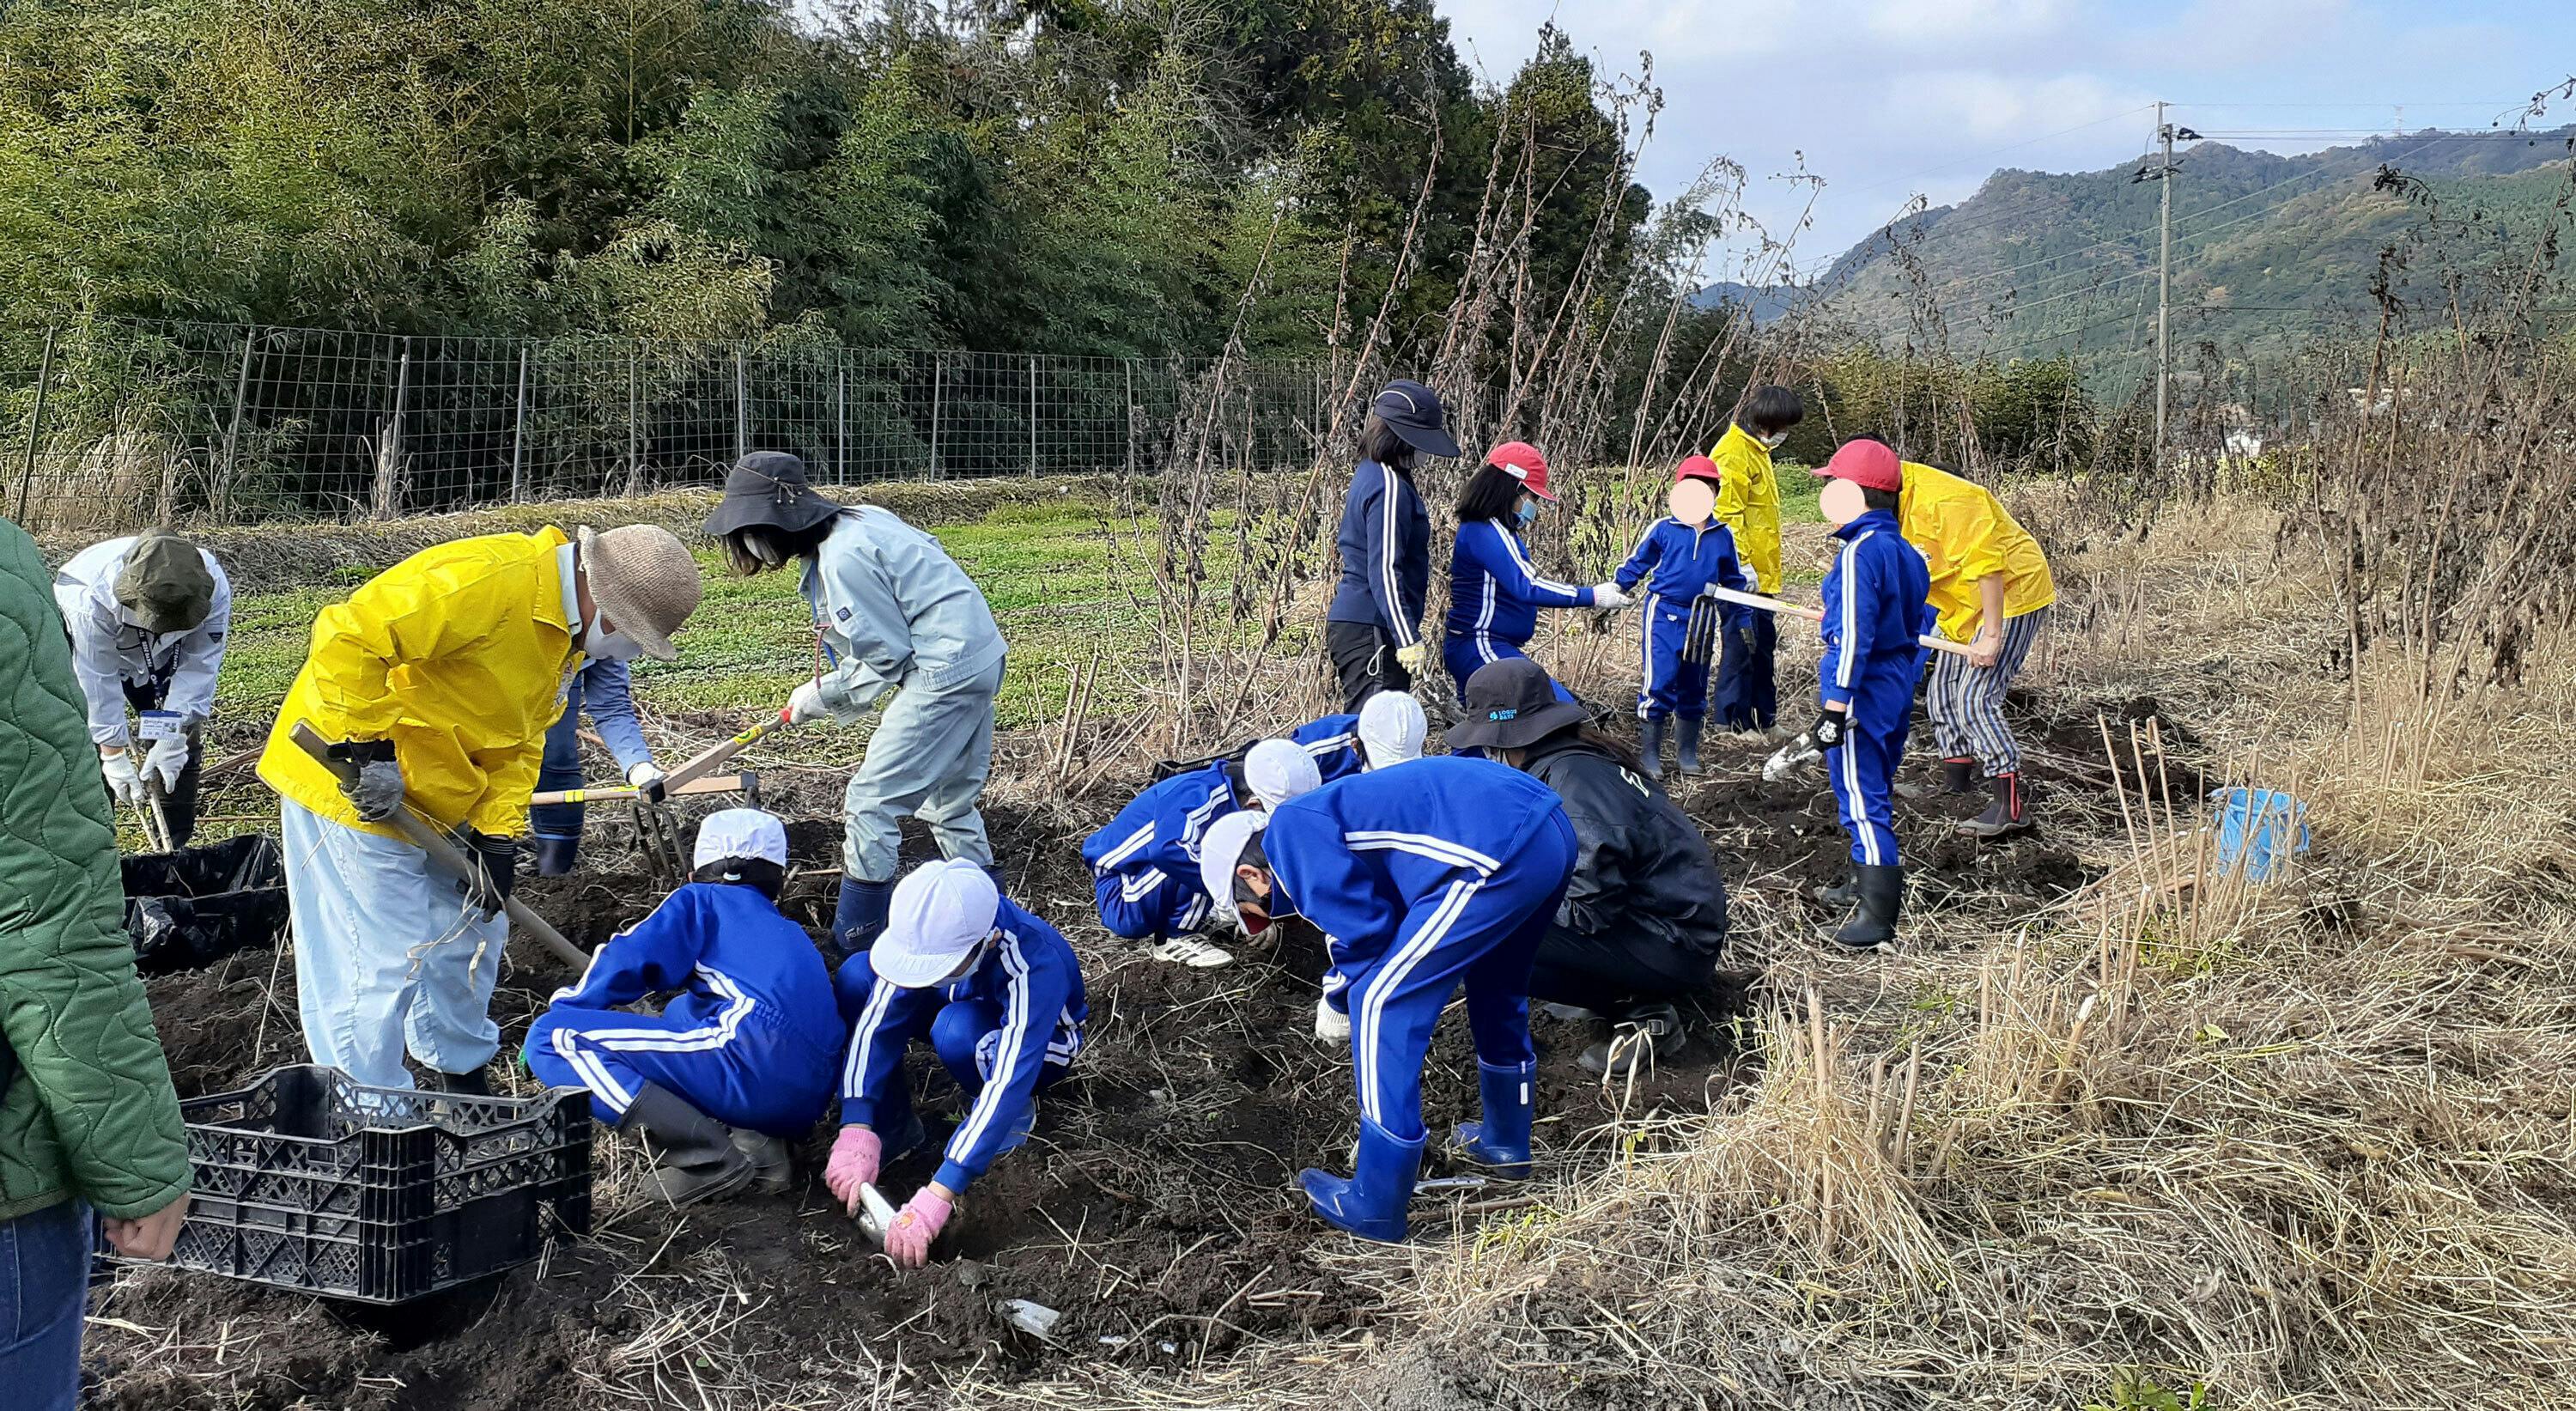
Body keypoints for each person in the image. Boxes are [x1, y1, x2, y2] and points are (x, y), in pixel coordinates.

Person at [258, 522, 702, 1092]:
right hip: (352, 786)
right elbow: (350, 635)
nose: (627, 651)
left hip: (442, 793)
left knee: (472, 930)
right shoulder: (492, 581)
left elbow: (521, 740)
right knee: (378, 958)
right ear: (606, 603)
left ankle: (460, 1075)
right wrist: (367, 750)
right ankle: (373, 1117)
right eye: (632, 637)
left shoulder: (562, 640)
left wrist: (496, 833)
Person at [1199, 757, 1577, 1244]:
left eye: (1252, 912)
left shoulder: (1289, 834)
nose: (1263, 921)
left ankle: (1376, 1200)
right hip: (1544, 830)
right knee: (1496, 983)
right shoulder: (1329, 818)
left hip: (1498, 850)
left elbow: (1368, 935)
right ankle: (1506, 1143)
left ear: (1253, 876)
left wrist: (1341, 997)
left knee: (1381, 1002)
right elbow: (1378, 914)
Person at [2, 515, 195, 1408]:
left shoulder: (208, 594)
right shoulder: (52, 588)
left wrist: (175, 734)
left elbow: (193, 672)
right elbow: (38, 907)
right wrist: (112, 752)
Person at [704, 452, 1007, 958]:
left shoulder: (845, 557)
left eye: (749, 534)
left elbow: (884, 656)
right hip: (978, 655)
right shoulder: (861, 518)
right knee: (949, 802)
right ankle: (993, 915)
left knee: (870, 803)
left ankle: (856, 939)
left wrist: (819, 695)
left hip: (944, 671)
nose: (751, 548)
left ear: (772, 524)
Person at [523, 809, 841, 1206]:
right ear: (778, 879)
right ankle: (764, 1154)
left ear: (695, 874)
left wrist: (570, 1009)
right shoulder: (789, 932)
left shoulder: (699, 900)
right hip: (808, 1094)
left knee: (552, 1039)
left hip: (752, 1061)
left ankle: (710, 1162)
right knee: (682, 1013)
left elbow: (631, 956)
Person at [1449, 659, 1729, 1079]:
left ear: (1503, 741)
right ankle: (1613, 992)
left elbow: (1587, 906)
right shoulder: (1577, 763)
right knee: (1502, 920)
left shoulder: (1574, 783)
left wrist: (1497, 897)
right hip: (1671, 928)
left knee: (1482, 932)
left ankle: (1643, 1011)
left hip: (1675, 944)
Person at [823, 859, 1087, 1269]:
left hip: (1038, 1046)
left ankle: (1005, 1126)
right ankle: (893, 1131)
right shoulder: (930, 927)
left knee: (958, 1032)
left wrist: (943, 1189)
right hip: (961, 1003)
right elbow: (879, 1017)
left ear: (983, 942)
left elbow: (1010, 1075)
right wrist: (856, 1123)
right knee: (860, 977)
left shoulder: (1034, 962)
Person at [1808, 441, 1935, 949]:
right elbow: (1919, 619)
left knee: (1862, 797)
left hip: (1862, 690)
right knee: (1871, 785)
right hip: (1895, 682)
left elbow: (1855, 638)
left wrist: (1836, 708)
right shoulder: (1906, 551)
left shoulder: (1861, 552)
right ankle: (1859, 881)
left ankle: (1877, 918)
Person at [1896, 455, 2057, 836]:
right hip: (1963, 604)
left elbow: (1988, 568)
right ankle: (1955, 787)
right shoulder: (1889, 511)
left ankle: (2010, 806)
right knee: (1943, 694)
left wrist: (1992, 636)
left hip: (2012, 594)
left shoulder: (1948, 502)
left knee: (1975, 697)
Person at [52, 531, 231, 848]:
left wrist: (173, 735)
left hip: (162, 661)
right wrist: (113, 753)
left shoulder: (212, 585)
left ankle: (174, 848)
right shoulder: (87, 597)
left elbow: (199, 664)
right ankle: (96, 845)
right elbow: (95, 678)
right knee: (87, 747)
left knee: (180, 745)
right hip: (95, 651)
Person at [1081, 739, 1329, 969]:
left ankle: (1204, 914)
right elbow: (1167, 851)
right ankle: (1174, 938)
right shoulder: (1201, 796)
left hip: (1152, 874)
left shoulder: (1238, 796)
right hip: (1124, 883)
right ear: (1253, 804)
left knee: (1221, 859)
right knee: (1210, 856)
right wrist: (1229, 899)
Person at [1441, 442, 1627, 705]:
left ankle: (1478, 737)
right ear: (1515, 489)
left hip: (1488, 646)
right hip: (1480, 645)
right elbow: (1527, 585)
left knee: (1491, 728)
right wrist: (1594, 595)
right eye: (1534, 497)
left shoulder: (1495, 530)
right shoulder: (1486, 531)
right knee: (1554, 709)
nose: (1535, 506)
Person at [1614, 456, 1756, 775]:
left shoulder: (1723, 535)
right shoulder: (1665, 529)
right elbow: (1638, 563)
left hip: (1702, 616)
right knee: (1660, 680)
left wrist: (1743, 619)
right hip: (1663, 612)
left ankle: (1687, 753)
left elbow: (1733, 582)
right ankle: (1650, 755)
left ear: (1715, 493)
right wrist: (1616, 590)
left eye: (1707, 487)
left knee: (1694, 682)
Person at [1326, 380, 1457, 710]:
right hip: (1373, 628)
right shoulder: (1388, 487)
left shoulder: (1373, 473)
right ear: (1398, 437)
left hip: (1366, 626)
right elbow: (1384, 568)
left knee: (1370, 731)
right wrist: (1407, 637)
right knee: (1377, 736)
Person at [1706, 386, 1805, 735]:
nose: (1784, 435)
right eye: (1783, 426)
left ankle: (1766, 719)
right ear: (1768, 422)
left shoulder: (1758, 451)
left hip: (1763, 576)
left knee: (1763, 646)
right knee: (1741, 646)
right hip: (1742, 576)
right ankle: (1732, 721)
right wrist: (1741, 564)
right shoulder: (1733, 453)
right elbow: (1726, 513)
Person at [530, 659, 666, 875]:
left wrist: (637, 765)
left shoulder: (613, 640)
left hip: (562, 667)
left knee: (556, 754)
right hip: (487, 677)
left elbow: (611, 705)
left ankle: (552, 879)